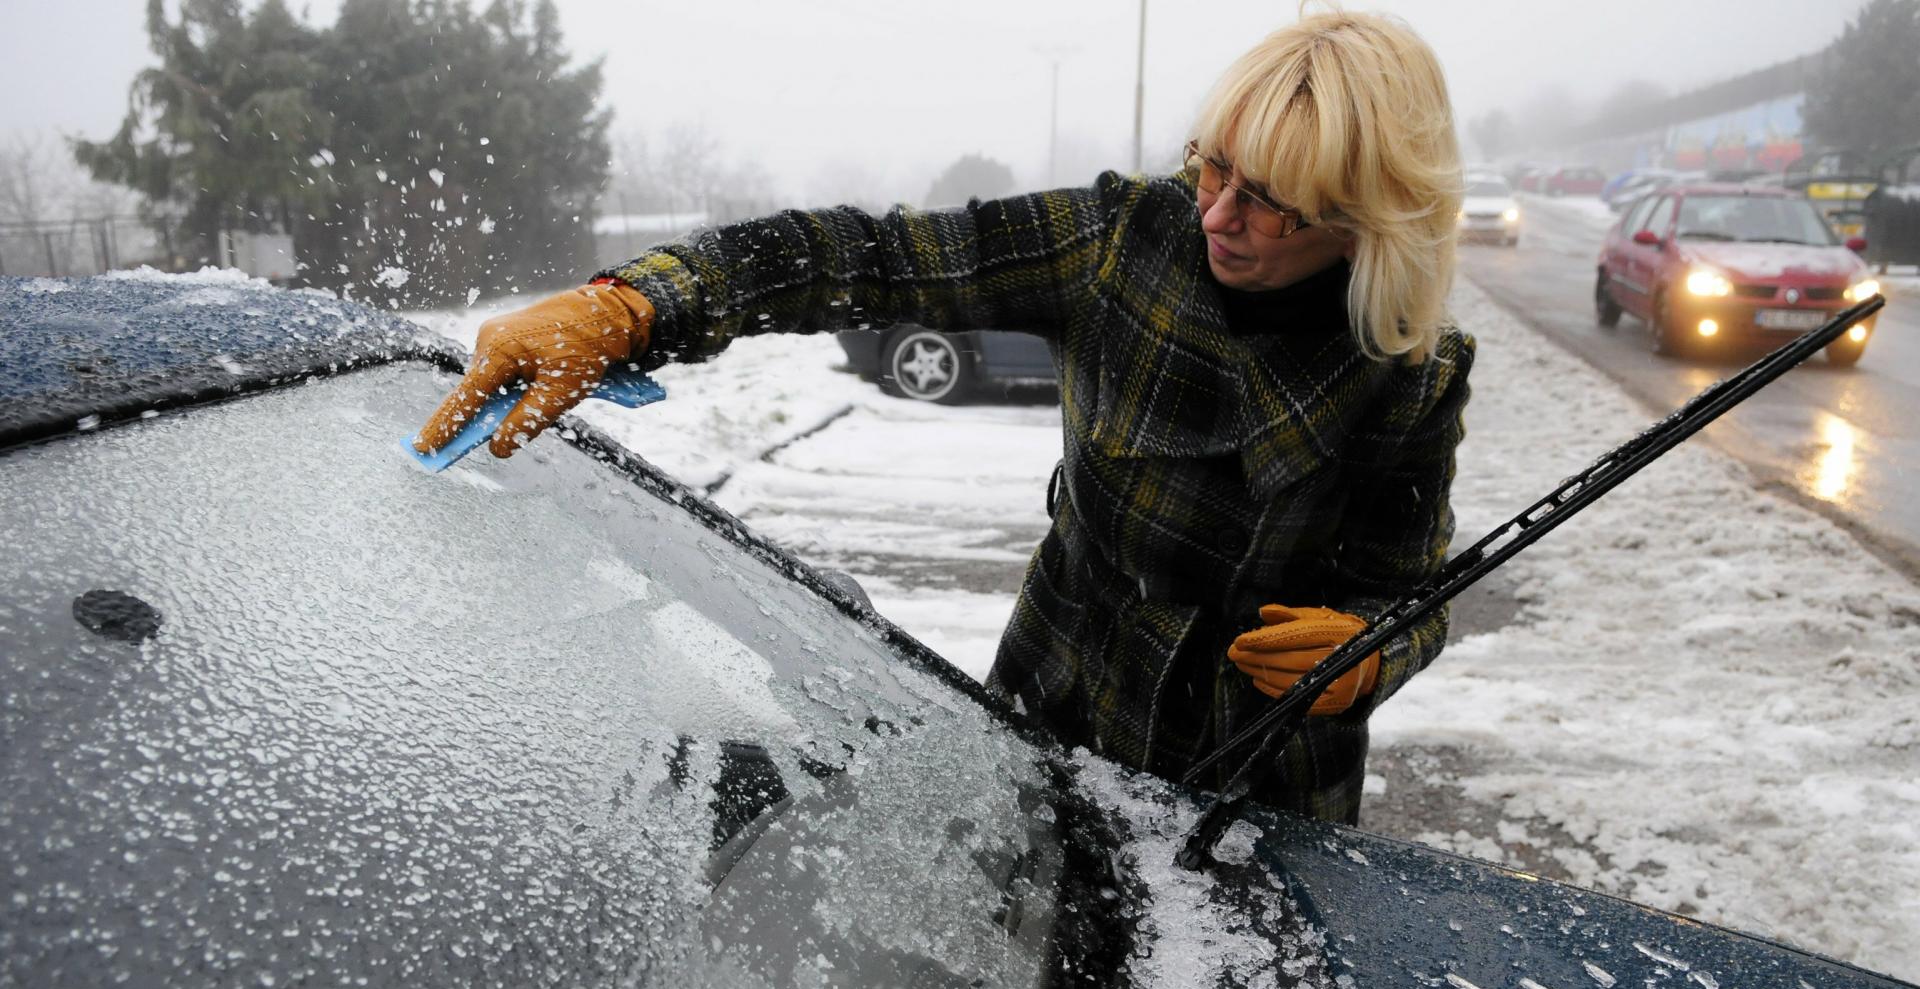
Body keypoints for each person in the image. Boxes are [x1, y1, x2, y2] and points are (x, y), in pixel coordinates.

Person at [417, 6, 1473, 825]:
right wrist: (640, 303)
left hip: (1263, 792)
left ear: (1361, 219)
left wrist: (1371, 655)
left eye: (1270, 200)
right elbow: (871, 257)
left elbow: (1407, 590)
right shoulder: (1121, 245)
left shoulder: (1412, 369)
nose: (1217, 214)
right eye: (1214, 165)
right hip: (1059, 715)